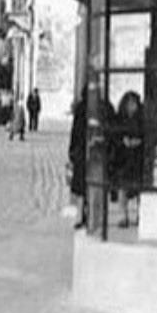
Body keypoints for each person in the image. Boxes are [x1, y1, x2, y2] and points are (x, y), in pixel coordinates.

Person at [111, 91, 145, 228]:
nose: (131, 107)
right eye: (129, 104)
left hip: (137, 157)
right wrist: (123, 141)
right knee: (123, 188)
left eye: (133, 104)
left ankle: (140, 214)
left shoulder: (142, 119)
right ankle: (123, 216)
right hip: (123, 157)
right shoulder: (120, 118)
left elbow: (147, 134)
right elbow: (114, 135)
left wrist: (139, 141)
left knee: (139, 187)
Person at [68, 96, 87, 229]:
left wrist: (72, 150)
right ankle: (83, 213)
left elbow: (75, 131)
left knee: (81, 187)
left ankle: (81, 214)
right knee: (82, 187)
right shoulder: (103, 105)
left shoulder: (80, 108)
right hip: (84, 152)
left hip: (81, 152)